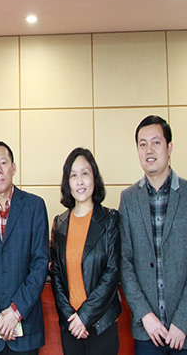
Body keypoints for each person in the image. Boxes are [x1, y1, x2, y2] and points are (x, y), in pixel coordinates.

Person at [119, 115, 187, 354]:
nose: (149, 150)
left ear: (169, 148)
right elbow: (125, 262)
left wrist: (182, 322)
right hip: (147, 332)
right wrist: (145, 315)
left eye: (156, 142)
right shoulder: (128, 199)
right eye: (142, 144)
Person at [0, 140, 49, 355]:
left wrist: (15, 312)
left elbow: (40, 264)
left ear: (13, 167)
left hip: (26, 329)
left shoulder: (35, 206)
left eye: (3, 163)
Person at [49, 147, 121, 355]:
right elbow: (56, 275)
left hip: (102, 326)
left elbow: (112, 272)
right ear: (67, 182)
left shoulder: (110, 220)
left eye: (85, 173)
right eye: (73, 175)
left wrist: (85, 317)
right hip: (71, 327)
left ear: (94, 178)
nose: (79, 181)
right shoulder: (59, 224)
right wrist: (71, 318)